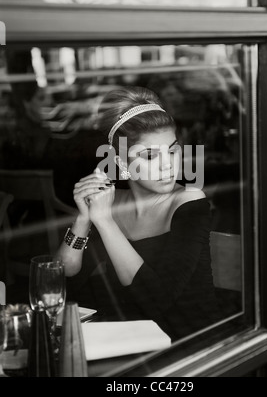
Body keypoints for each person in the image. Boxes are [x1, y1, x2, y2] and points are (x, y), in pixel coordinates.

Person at [55, 86, 224, 341]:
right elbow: (62, 285)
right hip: (128, 341)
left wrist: (105, 222)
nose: (168, 164)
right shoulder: (109, 204)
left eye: (172, 150)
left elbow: (157, 301)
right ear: (121, 163)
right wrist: (84, 218)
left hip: (189, 344)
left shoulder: (189, 203)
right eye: (149, 156)